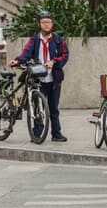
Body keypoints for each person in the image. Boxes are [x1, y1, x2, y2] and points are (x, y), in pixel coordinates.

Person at [9, 10, 69, 142]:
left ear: (52, 23)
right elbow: (26, 53)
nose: (46, 25)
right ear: (39, 24)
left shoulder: (59, 40)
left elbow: (65, 55)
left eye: (48, 22)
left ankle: (56, 133)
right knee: (37, 106)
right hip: (38, 77)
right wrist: (17, 60)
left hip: (54, 78)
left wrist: (54, 62)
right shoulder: (34, 40)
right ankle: (37, 133)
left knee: (54, 107)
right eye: (43, 22)